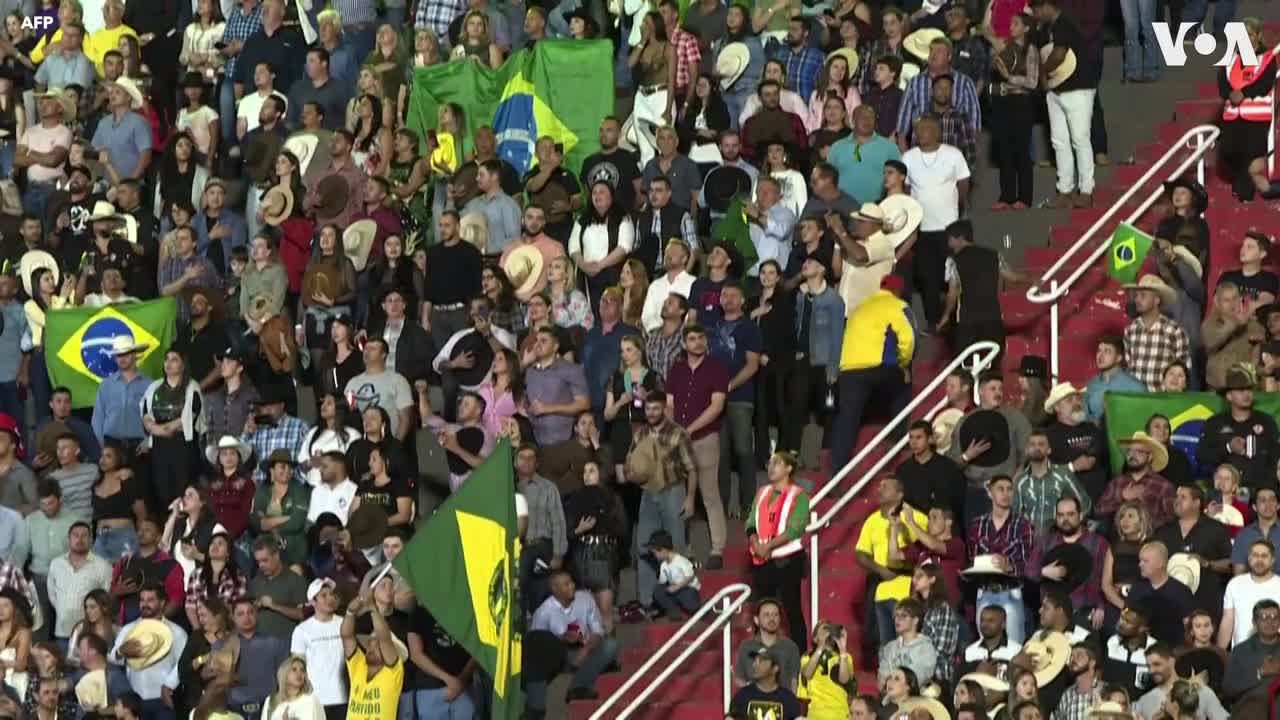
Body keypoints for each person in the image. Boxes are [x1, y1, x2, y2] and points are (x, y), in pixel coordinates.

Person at [528, 569, 618, 705]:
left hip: (586, 647)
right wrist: (561, 639)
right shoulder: (543, 612)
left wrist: (586, 649)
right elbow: (536, 646)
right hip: (559, 655)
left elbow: (598, 631)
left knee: (610, 645)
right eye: (566, 584)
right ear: (555, 589)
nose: (572, 586)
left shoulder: (585, 599)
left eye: (571, 582)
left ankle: (577, 687)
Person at [746, 452, 810, 644]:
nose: (771, 467)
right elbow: (750, 522)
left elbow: (795, 529)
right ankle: (761, 655)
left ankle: (798, 657)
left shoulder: (798, 495)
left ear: (789, 468)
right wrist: (756, 544)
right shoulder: (762, 492)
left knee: (791, 610)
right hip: (761, 560)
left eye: (777, 463)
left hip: (787, 560)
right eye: (770, 463)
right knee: (762, 610)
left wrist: (769, 546)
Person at [110, 583, 188, 720]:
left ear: (162, 603)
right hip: (136, 702)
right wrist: (121, 651)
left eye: (150, 600)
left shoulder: (177, 632)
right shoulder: (128, 630)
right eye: (142, 600)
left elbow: (183, 664)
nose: (145, 604)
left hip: (164, 700)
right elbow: (113, 659)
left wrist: (168, 685)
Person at [341, 586, 406, 720]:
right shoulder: (358, 666)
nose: (371, 647)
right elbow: (347, 636)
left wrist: (373, 609)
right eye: (370, 644)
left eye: (377, 645)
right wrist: (349, 612)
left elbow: (385, 639)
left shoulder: (393, 672)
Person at [727, 646, 804, 720]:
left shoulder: (788, 700)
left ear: (775, 668)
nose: (755, 665)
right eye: (755, 660)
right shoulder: (742, 696)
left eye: (761, 661)